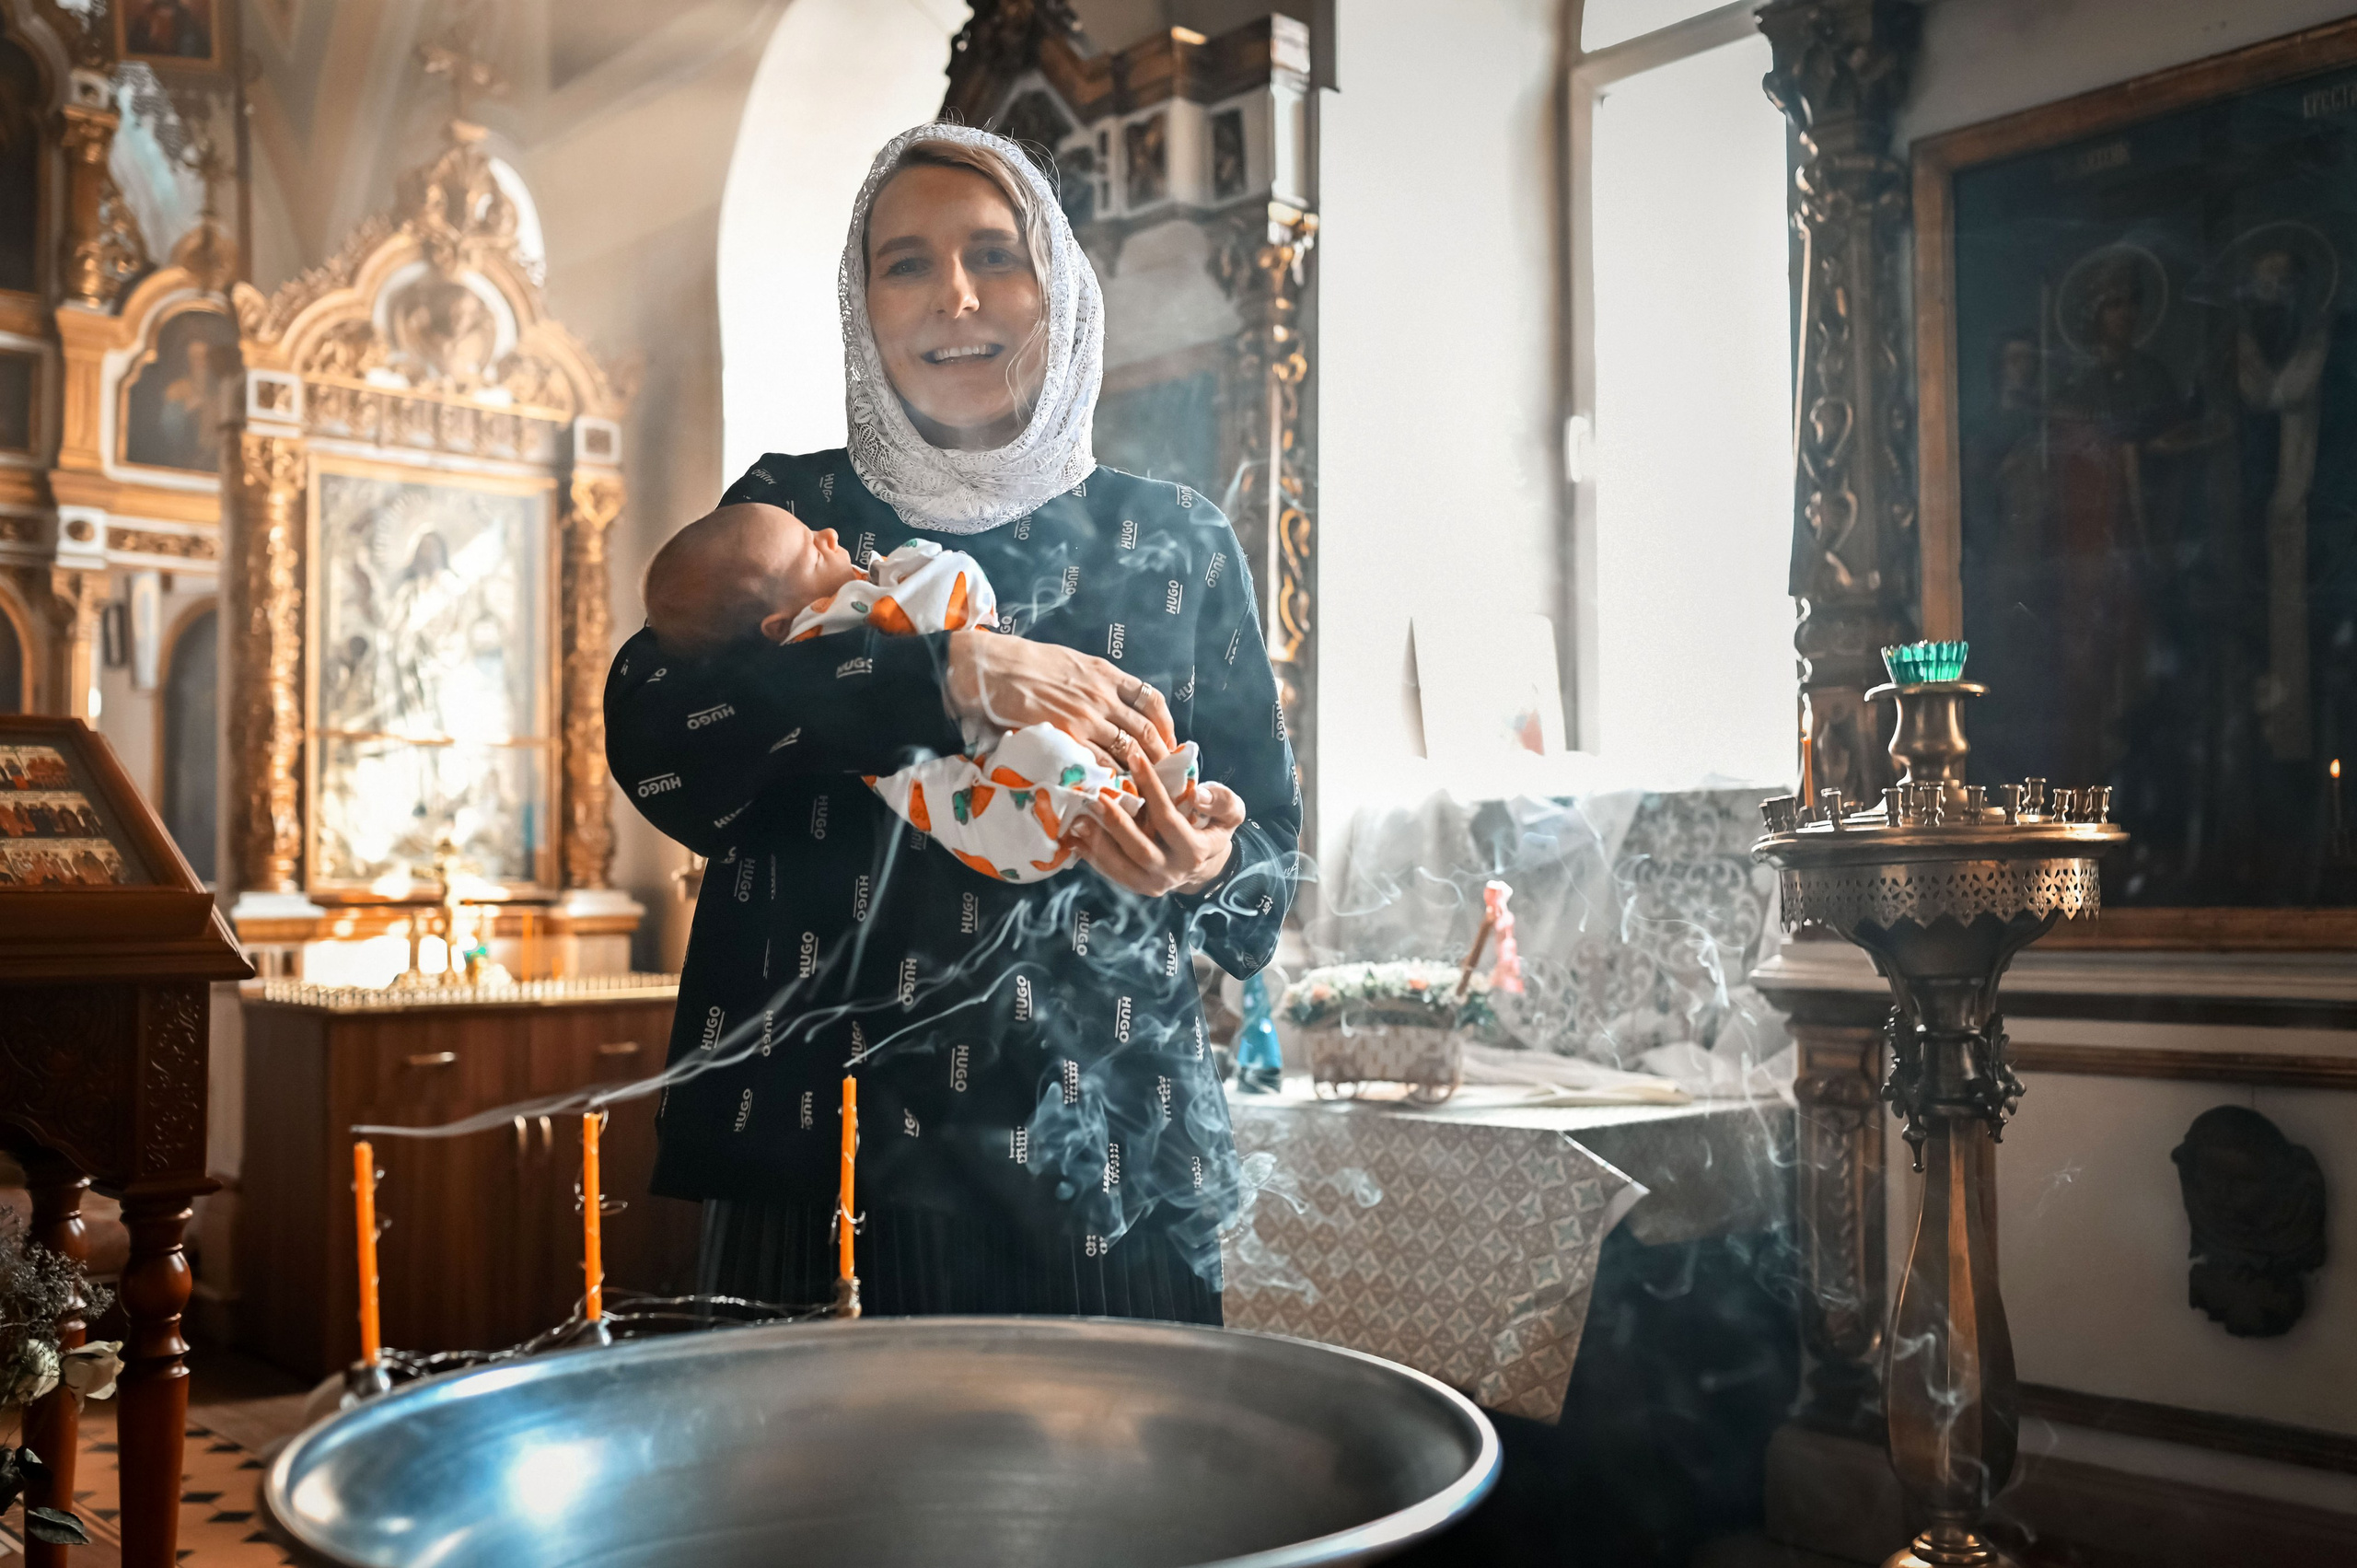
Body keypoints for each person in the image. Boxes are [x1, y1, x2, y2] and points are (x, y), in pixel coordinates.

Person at [606, 123, 1300, 1321]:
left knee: (1129, 1501)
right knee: (812, 1506)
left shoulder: (1174, 537)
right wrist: (943, 669)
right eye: (906, 262)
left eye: (995, 253)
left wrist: (1205, 851)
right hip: (823, 1147)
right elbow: (662, 731)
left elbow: (1266, 861)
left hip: (1111, 1152)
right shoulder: (793, 513)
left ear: (1060, 285)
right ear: (861, 305)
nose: (956, 298)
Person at [642, 509, 1204, 884]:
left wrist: (1211, 861)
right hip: (960, 797)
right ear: (777, 624)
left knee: (1054, 758)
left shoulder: (840, 613)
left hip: (972, 772)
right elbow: (950, 590)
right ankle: (1131, 804)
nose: (831, 536)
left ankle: (1141, 804)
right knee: (1047, 770)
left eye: (814, 530)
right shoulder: (821, 628)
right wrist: (963, 658)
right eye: (812, 553)